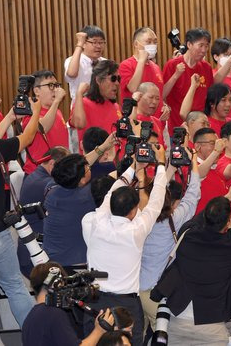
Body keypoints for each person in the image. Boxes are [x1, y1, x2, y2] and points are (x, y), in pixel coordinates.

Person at [150, 169, 231, 346]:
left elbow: (196, 221)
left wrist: (227, 196)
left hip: (177, 321)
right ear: (228, 222)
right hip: (211, 327)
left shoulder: (189, 236)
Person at [82, 142, 170, 346]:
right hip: (126, 303)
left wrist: (133, 167)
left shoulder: (94, 222)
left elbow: (111, 193)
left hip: (96, 300)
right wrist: (160, 164)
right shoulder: (136, 231)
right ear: (133, 211)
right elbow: (156, 200)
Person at [0, 103, 41, 326]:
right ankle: (34, 335)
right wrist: (35, 112)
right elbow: (29, 136)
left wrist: (7, 115)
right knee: (14, 285)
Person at [139, 153, 200, 334]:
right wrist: (194, 162)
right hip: (155, 293)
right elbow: (192, 194)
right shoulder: (174, 220)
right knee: (165, 336)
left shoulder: (138, 221)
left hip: (133, 290)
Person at [43, 133, 116, 269]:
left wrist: (104, 146)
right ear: (82, 179)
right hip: (77, 264)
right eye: (87, 169)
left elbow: (77, 165)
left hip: (52, 260)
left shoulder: (51, 187)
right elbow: (115, 177)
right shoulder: (86, 196)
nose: (89, 167)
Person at [21, 262, 114, 346]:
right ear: (56, 284)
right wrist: (99, 330)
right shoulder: (54, 314)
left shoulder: (30, 318)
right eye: (64, 283)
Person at [18, 146, 69, 275]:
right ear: (52, 164)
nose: (67, 174)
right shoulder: (48, 184)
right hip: (38, 257)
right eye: (65, 169)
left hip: (31, 250)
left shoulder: (34, 176)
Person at [162, 27, 214, 135]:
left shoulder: (206, 68)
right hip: (177, 129)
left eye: (206, 46)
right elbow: (162, 94)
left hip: (200, 131)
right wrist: (176, 75)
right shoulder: (172, 65)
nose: (204, 50)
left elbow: (210, 99)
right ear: (189, 45)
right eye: (200, 45)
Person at [22, 70, 69, 174]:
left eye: (57, 85)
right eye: (51, 85)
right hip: (38, 174)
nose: (56, 89)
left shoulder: (57, 111)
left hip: (59, 172)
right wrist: (56, 101)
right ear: (37, 90)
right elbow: (43, 128)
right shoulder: (30, 113)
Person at [69, 60, 121, 148]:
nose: (117, 83)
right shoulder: (83, 103)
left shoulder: (116, 107)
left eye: (118, 79)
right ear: (98, 80)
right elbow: (79, 124)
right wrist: (79, 93)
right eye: (113, 79)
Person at [119, 27, 165, 119]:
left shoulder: (156, 67)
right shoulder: (126, 65)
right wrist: (141, 61)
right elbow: (133, 88)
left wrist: (164, 106)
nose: (153, 45)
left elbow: (159, 94)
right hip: (135, 121)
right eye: (148, 42)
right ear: (136, 44)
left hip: (156, 122)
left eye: (155, 42)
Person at [64, 25, 107, 104]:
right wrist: (80, 43)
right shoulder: (73, 60)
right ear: (84, 44)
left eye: (101, 42)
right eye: (94, 42)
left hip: (103, 105)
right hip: (80, 106)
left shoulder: (105, 62)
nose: (98, 46)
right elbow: (71, 74)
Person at [133, 82, 168, 147]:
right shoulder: (132, 120)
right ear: (139, 97)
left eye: (157, 99)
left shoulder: (157, 122)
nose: (154, 102)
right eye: (151, 97)